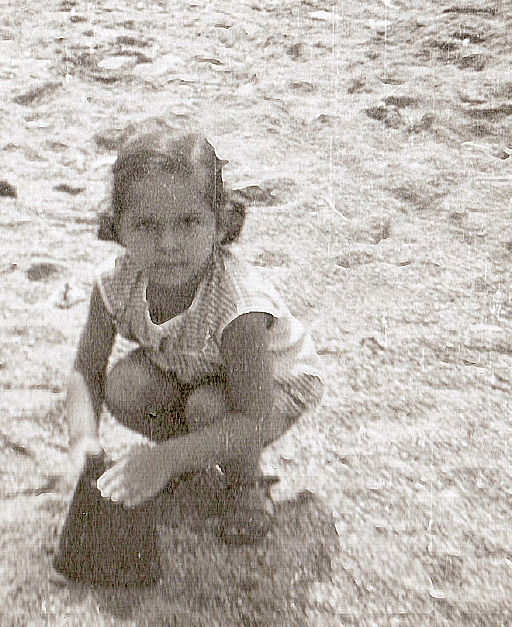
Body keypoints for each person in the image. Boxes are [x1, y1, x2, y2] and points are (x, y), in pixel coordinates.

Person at [66, 127, 323, 544]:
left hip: (271, 388)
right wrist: (83, 440)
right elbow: (87, 369)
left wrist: (161, 460)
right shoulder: (116, 285)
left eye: (188, 222)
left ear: (219, 224)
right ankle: (191, 460)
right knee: (125, 384)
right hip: (196, 366)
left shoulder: (237, 306)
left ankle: (245, 484)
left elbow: (253, 419)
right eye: (146, 225)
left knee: (210, 407)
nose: (168, 243)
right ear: (118, 228)